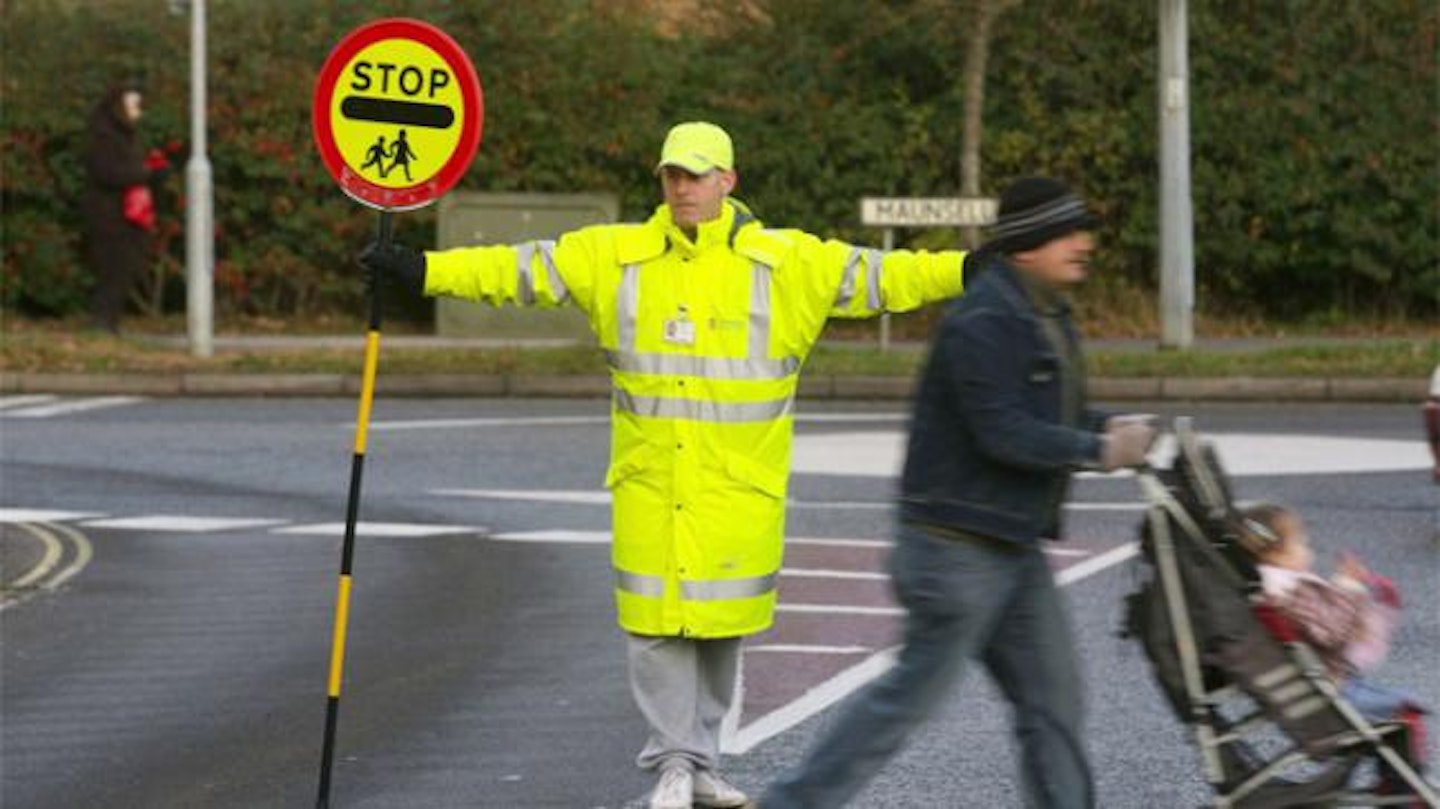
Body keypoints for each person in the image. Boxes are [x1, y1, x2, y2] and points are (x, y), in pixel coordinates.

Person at [359, 121, 969, 809]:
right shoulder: (616, 256)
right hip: (654, 482)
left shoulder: (787, 262)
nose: (683, 186)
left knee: (719, 631)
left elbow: (885, 275)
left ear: (728, 182)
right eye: (673, 174)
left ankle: (702, 762)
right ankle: (673, 762)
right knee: (655, 632)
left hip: (737, 491)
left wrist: (965, 270)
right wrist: (425, 270)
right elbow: (518, 270)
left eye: (697, 174)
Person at [761, 177, 1159, 809]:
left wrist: (1108, 425)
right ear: (1027, 244)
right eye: (1069, 232)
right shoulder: (985, 317)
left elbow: (1051, 410)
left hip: (1010, 544)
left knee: (1054, 702)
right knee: (903, 705)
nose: (1084, 243)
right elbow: (1002, 430)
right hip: (953, 553)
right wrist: (1097, 449)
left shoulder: (1042, 308)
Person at [1239, 502, 1420, 722]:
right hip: (1327, 677)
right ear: (1278, 555)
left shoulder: (1268, 587)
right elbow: (1332, 632)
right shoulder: (1291, 592)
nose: (1307, 549)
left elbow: (1316, 618)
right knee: (1407, 704)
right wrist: (1348, 586)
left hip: (1311, 669)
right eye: (1301, 543)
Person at [82, 82, 167, 334]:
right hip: (109, 214)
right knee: (113, 268)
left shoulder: (121, 135)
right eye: (133, 106)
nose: (137, 112)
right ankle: (103, 322)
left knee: (123, 268)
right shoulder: (103, 136)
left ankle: (109, 322)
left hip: (124, 213)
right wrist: (146, 173)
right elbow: (108, 173)